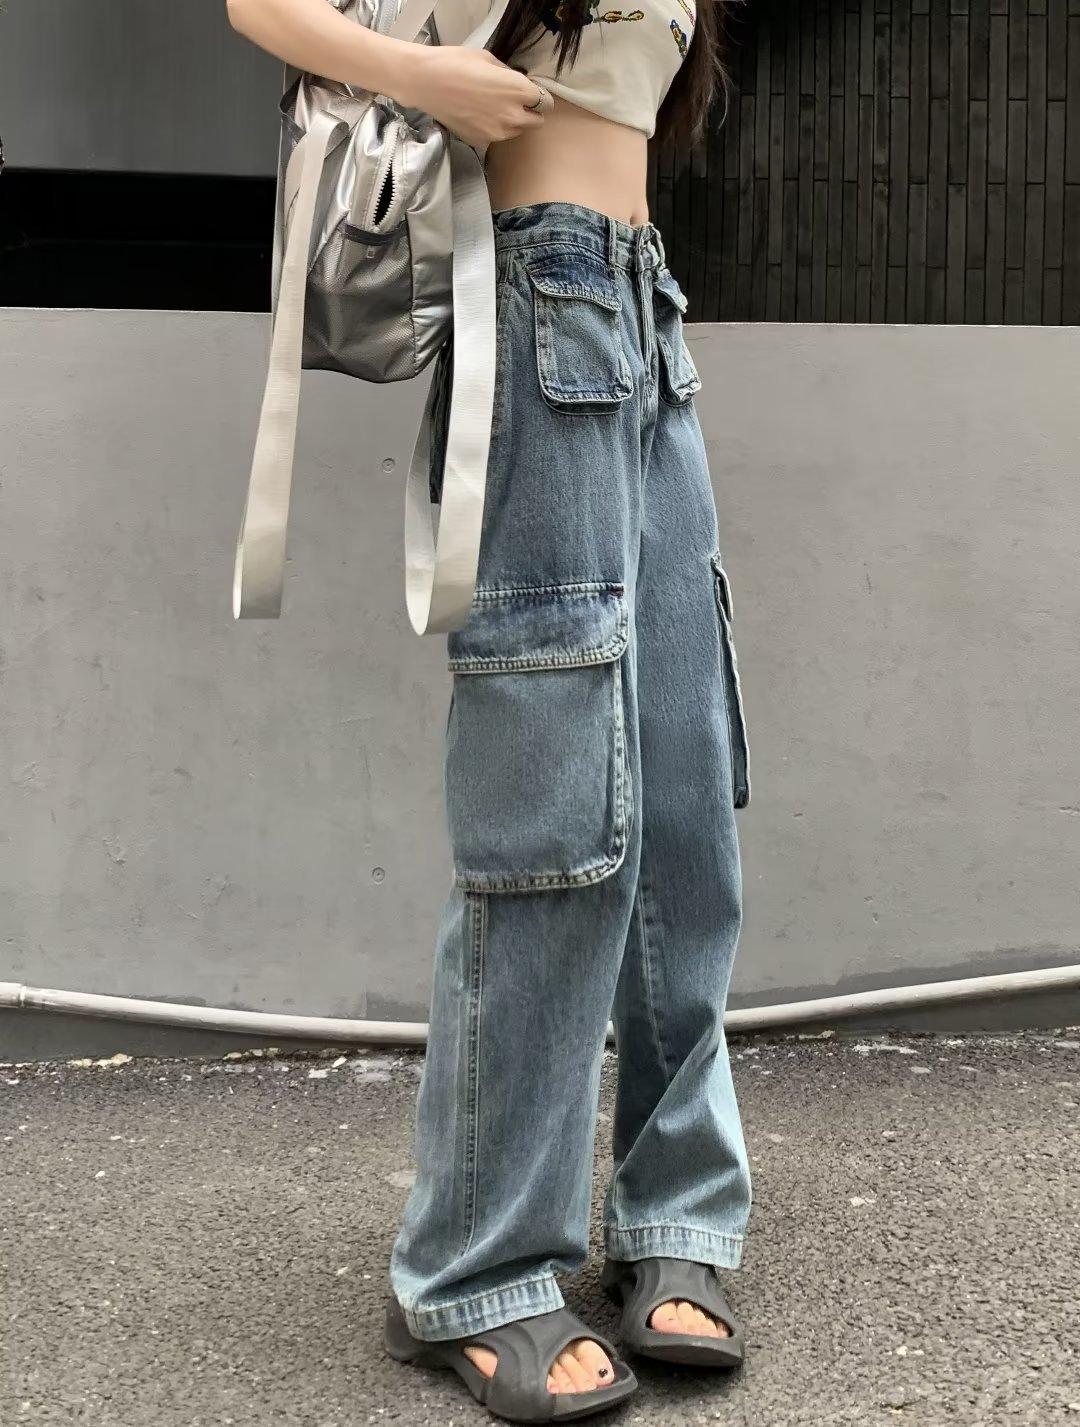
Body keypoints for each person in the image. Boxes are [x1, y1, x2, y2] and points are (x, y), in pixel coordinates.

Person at [226, 0, 753, 1418]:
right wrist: (426, 77)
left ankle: (677, 1209)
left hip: (643, 309)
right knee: (553, 818)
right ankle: (475, 1266)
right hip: (532, 300)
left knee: (685, 801)